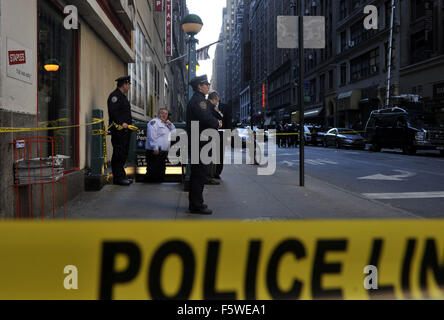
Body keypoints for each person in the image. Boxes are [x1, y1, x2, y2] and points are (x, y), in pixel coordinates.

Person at [186, 75, 222, 215]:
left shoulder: (200, 100)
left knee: (199, 174)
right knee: (199, 174)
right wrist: (216, 123)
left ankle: (196, 203)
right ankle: (196, 205)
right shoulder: (199, 101)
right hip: (199, 142)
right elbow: (205, 117)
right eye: (205, 84)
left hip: (199, 141)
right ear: (199, 86)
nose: (208, 86)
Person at [107, 75, 133, 186]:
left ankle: (122, 175)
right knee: (118, 153)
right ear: (125, 84)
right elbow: (114, 113)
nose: (129, 87)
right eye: (129, 84)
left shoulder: (122, 96)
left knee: (123, 153)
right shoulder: (115, 96)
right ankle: (118, 178)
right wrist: (121, 123)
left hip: (125, 131)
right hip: (119, 130)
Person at [145, 108, 176, 183]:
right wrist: (155, 147)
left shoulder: (165, 124)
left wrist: (170, 124)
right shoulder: (154, 122)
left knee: (161, 169)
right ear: (158, 114)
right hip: (155, 150)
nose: (164, 115)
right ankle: (150, 185)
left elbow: (174, 133)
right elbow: (151, 135)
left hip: (163, 151)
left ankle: (158, 182)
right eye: (162, 113)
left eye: (166, 114)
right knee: (153, 169)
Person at [205, 92, 223, 185]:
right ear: (214, 99)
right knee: (210, 156)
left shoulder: (209, 106)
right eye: (217, 101)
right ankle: (208, 177)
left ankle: (209, 176)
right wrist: (217, 123)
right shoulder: (209, 106)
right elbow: (219, 117)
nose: (217, 103)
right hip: (210, 134)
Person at [215, 97, 232, 179]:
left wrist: (228, 134)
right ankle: (211, 172)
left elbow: (228, 121)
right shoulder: (209, 106)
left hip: (222, 134)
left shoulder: (225, 107)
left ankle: (217, 172)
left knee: (220, 154)